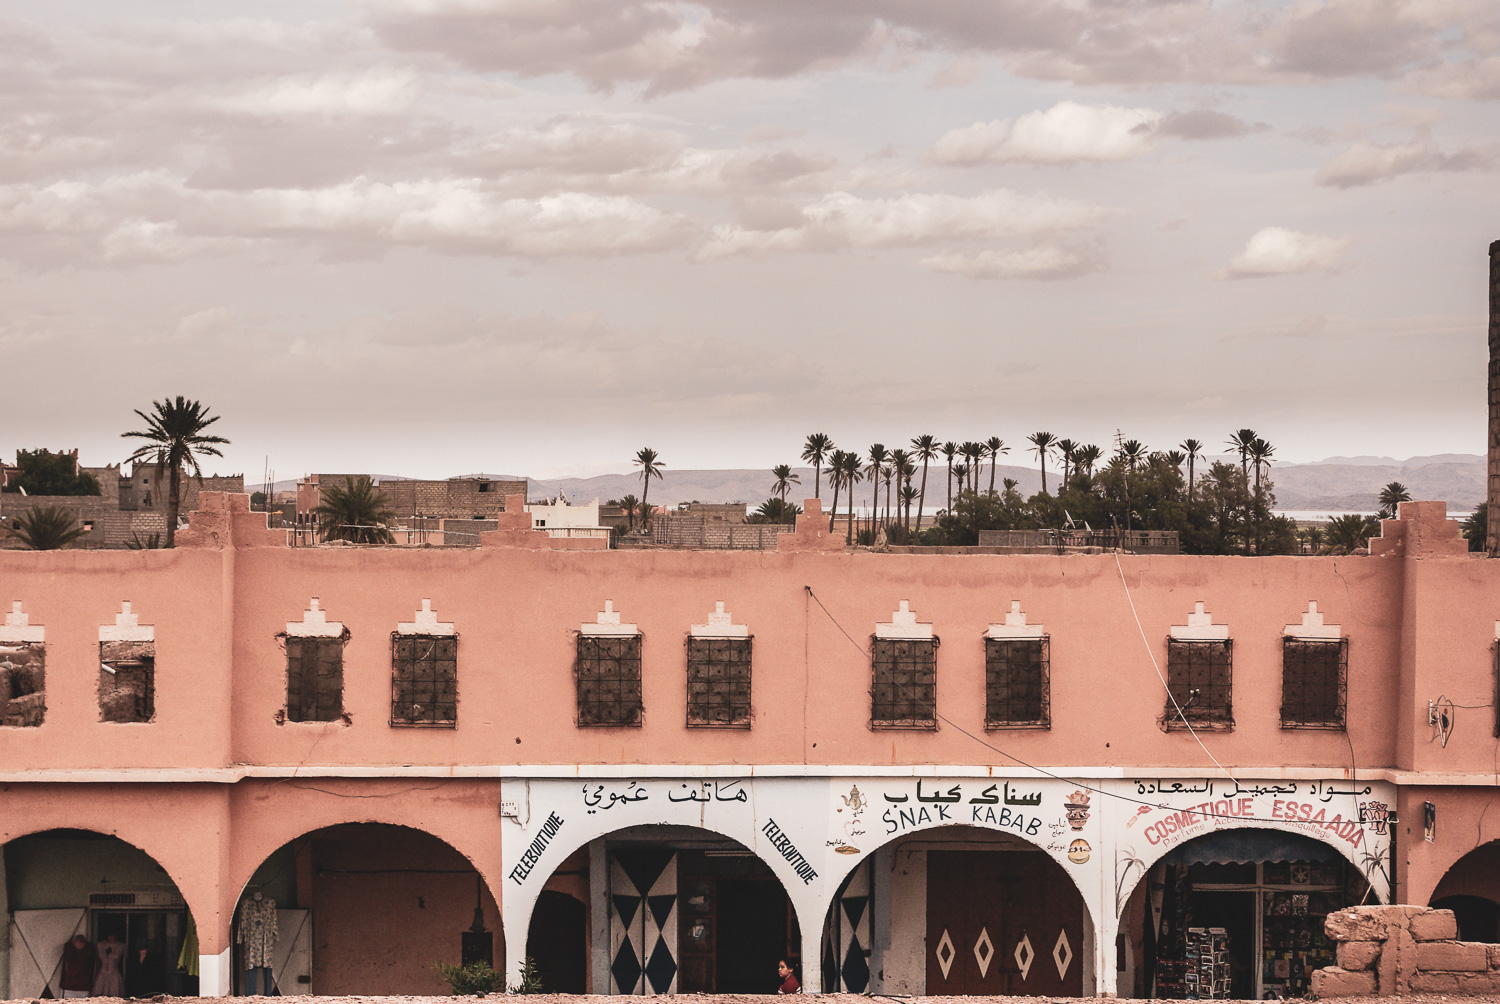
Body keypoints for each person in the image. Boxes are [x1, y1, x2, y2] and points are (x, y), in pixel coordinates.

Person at [92, 933, 126, 997]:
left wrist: (124, 976)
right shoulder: (100, 945)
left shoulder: (121, 946)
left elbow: (124, 963)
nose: (111, 937)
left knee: (114, 995)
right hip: (102, 974)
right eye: (110, 935)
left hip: (114, 975)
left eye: (113, 935)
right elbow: (96, 962)